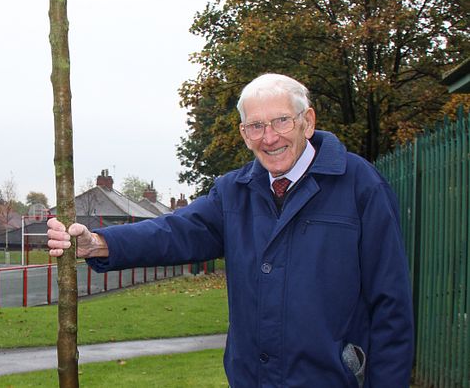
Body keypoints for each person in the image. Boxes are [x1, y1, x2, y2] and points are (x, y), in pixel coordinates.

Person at [48, 73, 414, 387]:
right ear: (243, 133)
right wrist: (98, 243)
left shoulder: (360, 186)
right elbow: (176, 231)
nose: (269, 137)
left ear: (308, 121)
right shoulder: (234, 191)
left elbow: (391, 305)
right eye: (256, 126)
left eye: (281, 121)